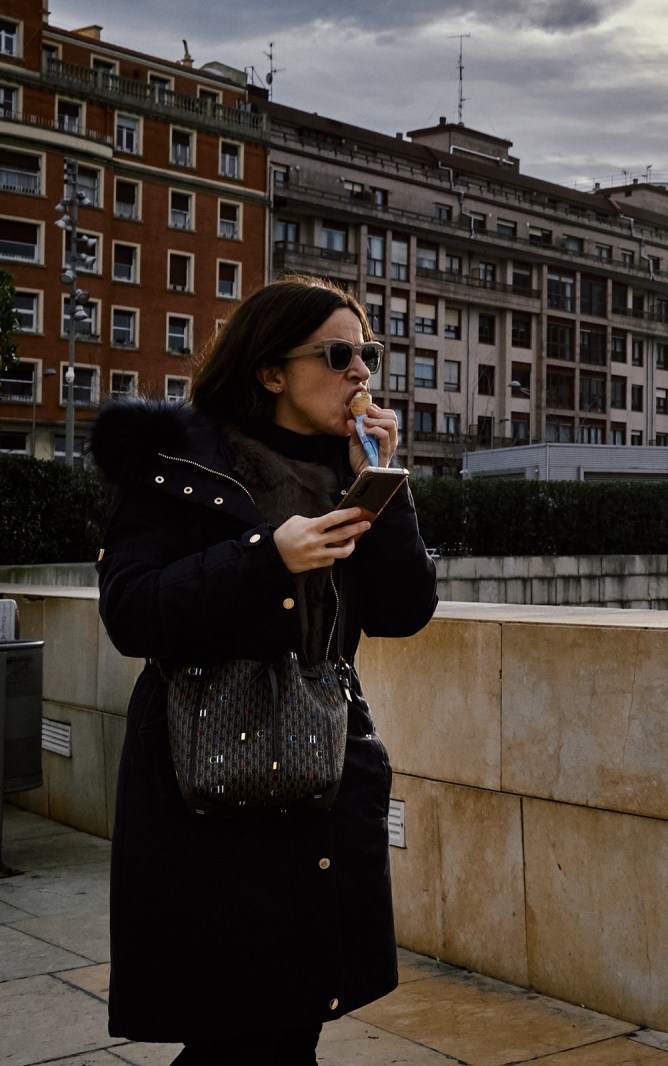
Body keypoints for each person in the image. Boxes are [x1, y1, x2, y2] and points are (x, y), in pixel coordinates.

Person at [90, 274, 438, 1064]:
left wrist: (383, 484)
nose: (362, 373)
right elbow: (130, 611)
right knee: (236, 1036)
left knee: (290, 1028)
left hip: (318, 778)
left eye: (369, 354)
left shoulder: (341, 469)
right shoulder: (174, 467)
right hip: (207, 786)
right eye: (339, 353)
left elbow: (404, 609)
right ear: (270, 370)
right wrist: (264, 557)